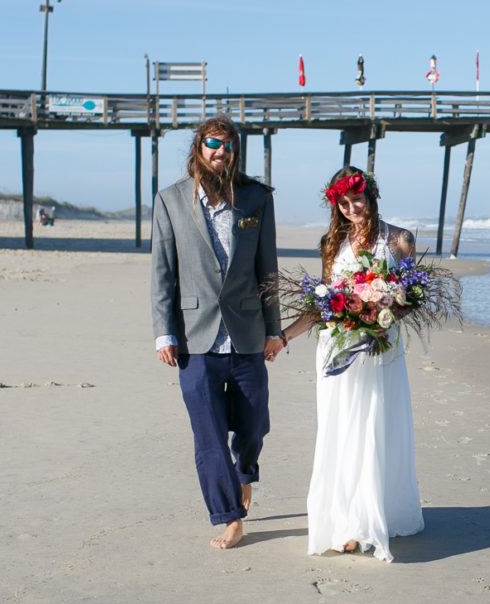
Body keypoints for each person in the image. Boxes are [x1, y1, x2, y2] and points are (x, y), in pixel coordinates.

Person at [151, 118, 283, 550]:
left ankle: (244, 473)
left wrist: (275, 329)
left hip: (247, 334)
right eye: (213, 144)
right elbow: (163, 272)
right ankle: (230, 517)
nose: (220, 152)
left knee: (253, 426)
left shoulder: (257, 198)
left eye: (228, 146)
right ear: (198, 148)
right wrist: (163, 332)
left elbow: (268, 270)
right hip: (194, 338)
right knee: (208, 434)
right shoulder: (170, 200)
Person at [283, 168, 423, 561]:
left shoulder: (399, 239)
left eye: (356, 200)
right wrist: (283, 337)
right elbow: (323, 302)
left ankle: (368, 521)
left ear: (371, 195)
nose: (351, 209)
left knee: (374, 428)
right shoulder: (332, 242)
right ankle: (344, 519)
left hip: (380, 346)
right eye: (343, 204)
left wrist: (385, 315)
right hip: (337, 348)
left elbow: (413, 296)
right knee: (341, 428)